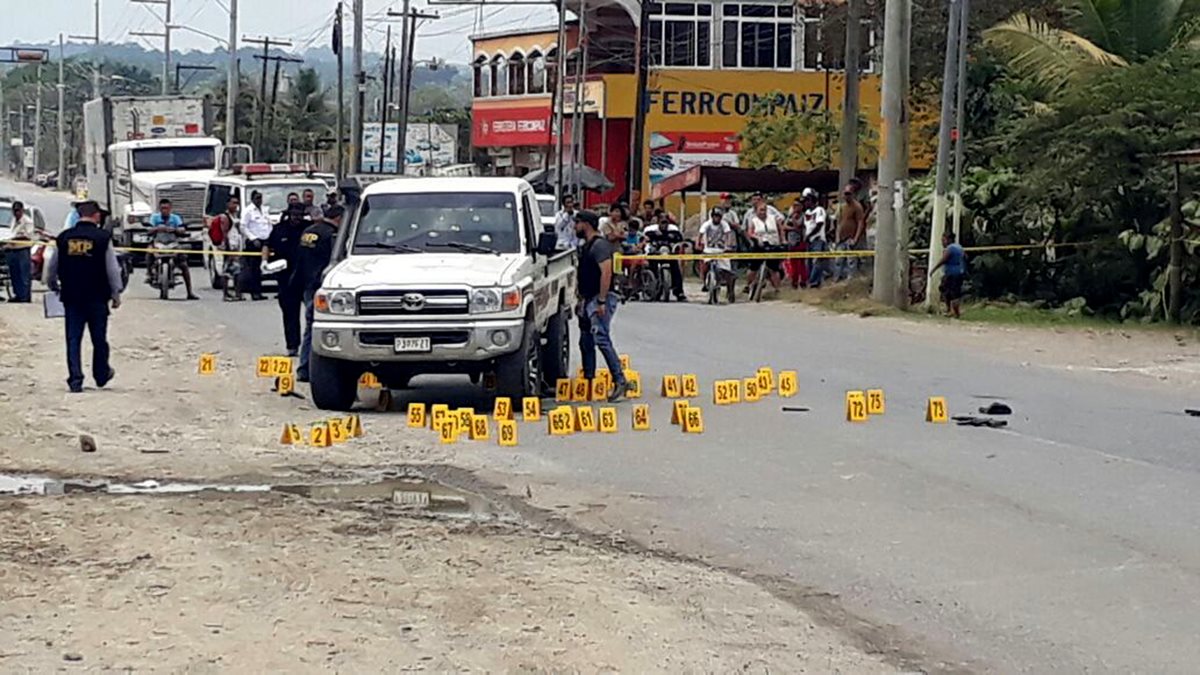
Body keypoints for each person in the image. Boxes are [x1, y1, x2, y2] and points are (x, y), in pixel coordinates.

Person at [44, 201, 124, 393]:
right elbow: (112, 268)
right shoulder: (102, 238)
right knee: (99, 338)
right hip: (97, 296)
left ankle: (75, 379)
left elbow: (51, 267)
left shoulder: (64, 238)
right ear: (96, 216)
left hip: (72, 296)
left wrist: (53, 285)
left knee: (73, 339)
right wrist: (116, 293)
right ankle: (101, 374)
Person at [574, 210, 629, 402]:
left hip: (599, 299)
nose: (575, 227)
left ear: (586, 224)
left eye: (577, 223)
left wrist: (602, 301)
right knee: (585, 340)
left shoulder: (600, 246)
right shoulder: (587, 245)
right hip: (588, 299)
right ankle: (589, 381)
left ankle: (620, 380)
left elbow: (606, 273)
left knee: (601, 339)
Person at [294, 205, 343, 383]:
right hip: (322, 285)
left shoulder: (309, 232)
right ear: (339, 218)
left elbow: (299, 258)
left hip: (307, 284)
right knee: (322, 328)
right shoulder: (333, 236)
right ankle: (312, 368)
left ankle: (304, 368)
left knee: (309, 327)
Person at [265, 202, 311, 356]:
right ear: (289, 214)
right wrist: (264, 262)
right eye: (294, 214)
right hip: (285, 278)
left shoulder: (309, 229)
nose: (296, 217)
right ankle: (292, 346)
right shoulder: (279, 229)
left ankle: (311, 346)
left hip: (306, 277)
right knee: (289, 314)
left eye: (299, 214)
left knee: (312, 313)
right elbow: (267, 245)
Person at [146, 198, 198, 300]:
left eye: (166, 208)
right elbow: (149, 229)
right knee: (148, 253)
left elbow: (182, 229)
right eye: (162, 208)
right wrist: (157, 228)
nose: (164, 210)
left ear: (170, 208)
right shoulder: (154, 218)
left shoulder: (175, 218)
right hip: (158, 243)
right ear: (159, 209)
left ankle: (190, 292)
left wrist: (176, 230)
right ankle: (149, 273)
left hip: (173, 244)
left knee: (184, 264)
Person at [641, 213, 686, 301]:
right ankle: (652, 286)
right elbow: (644, 238)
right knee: (651, 266)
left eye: (666, 222)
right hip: (655, 254)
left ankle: (679, 292)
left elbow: (680, 240)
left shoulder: (673, 231)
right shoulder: (651, 230)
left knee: (676, 268)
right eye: (662, 222)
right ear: (658, 222)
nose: (664, 225)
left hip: (668, 253)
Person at [3, 200, 40, 303]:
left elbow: (27, 236)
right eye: (14, 211)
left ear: (22, 210)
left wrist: (15, 238)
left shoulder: (27, 221)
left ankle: (25, 296)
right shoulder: (13, 220)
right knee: (14, 274)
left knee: (24, 275)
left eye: (18, 211)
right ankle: (18, 295)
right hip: (12, 249)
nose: (16, 213)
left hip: (22, 250)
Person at [745, 202, 784, 295]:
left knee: (774, 268)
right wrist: (756, 238)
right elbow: (749, 233)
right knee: (753, 267)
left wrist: (783, 240)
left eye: (764, 210)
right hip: (759, 245)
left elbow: (780, 230)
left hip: (773, 244)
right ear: (757, 211)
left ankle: (777, 289)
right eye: (761, 210)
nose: (763, 212)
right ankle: (748, 285)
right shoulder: (754, 220)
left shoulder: (773, 218)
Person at [698, 207, 736, 302]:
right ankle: (705, 282)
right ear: (712, 216)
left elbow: (728, 235)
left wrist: (728, 245)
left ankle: (730, 291)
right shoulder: (707, 224)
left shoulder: (724, 224)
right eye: (715, 216)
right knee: (705, 266)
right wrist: (698, 244)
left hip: (721, 251)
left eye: (719, 217)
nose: (717, 219)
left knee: (727, 272)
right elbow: (700, 234)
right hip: (709, 250)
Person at [240, 190, 271, 301]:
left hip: (266, 240)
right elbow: (243, 227)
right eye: (257, 198)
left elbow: (268, 224)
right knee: (254, 269)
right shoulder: (248, 211)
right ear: (252, 199)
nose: (259, 200)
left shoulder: (264, 209)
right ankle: (255, 292)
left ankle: (260, 291)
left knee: (265, 267)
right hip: (254, 242)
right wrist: (253, 238)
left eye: (260, 198)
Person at [930, 231, 967, 318]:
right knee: (947, 289)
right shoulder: (959, 247)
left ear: (949, 240)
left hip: (951, 274)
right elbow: (965, 257)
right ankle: (950, 310)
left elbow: (943, 260)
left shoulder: (950, 249)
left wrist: (933, 269)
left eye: (943, 240)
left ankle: (955, 312)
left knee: (951, 292)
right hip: (958, 272)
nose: (942, 242)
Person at [835, 182, 867, 281]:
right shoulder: (842, 206)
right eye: (845, 193)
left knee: (851, 261)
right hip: (841, 238)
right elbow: (839, 222)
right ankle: (837, 278)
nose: (846, 195)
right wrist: (837, 236)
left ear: (853, 194)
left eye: (848, 193)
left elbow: (860, 223)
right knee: (838, 259)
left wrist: (855, 238)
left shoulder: (857, 207)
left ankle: (851, 280)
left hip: (851, 237)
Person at [802, 188, 829, 289]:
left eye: (806, 200)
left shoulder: (819, 210)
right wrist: (806, 236)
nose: (805, 203)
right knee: (808, 262)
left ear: (811, 199)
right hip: (809, 240)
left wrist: (809, 235)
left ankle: (814, 282)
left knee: (817, 261)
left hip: (818, 239)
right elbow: (806, 226)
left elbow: (819, 224)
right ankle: (812, 281)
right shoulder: (807, 213)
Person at [782, 200, 809, 289]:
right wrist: (791, 227)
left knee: (801, 263)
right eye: (794, 205)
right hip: (791, 242)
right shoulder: (789, 216)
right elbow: (784, 227)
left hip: (800, 242)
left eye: (797, 205)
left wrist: (793, 220)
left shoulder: (804, 216)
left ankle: (803, 281)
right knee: (793, 263)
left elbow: (798, 227)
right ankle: (794, 281)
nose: (795, 207)